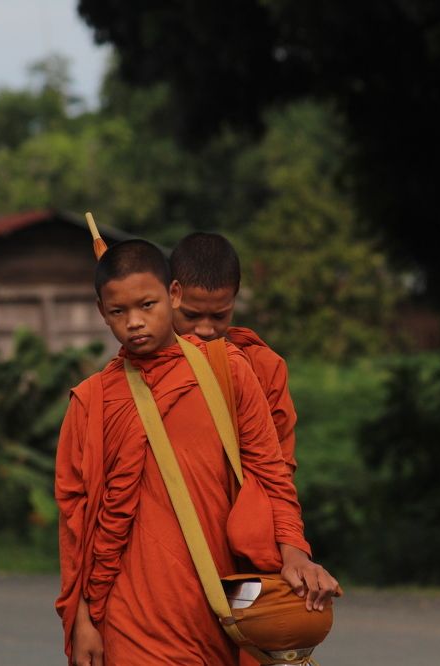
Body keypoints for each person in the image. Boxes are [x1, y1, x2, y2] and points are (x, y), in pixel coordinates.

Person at [55, 239, 339, 665]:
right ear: (102, 313)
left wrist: (294, 552)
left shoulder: (231, 370)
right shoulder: (91, 402)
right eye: (119, 312)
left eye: (147, 305)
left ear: (172, 296)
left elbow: (271, 474)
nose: (134, 323)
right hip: (127, 615)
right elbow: (75, 524)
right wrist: (82, 620)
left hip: (215, 604)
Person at [170, 232, 298, 476]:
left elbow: (279, 469)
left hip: (243, 509)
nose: (205, 329)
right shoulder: (143, 366)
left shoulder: (263, 368)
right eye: (191, 315)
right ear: (171, 294)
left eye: (219, 316)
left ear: (234, 300)